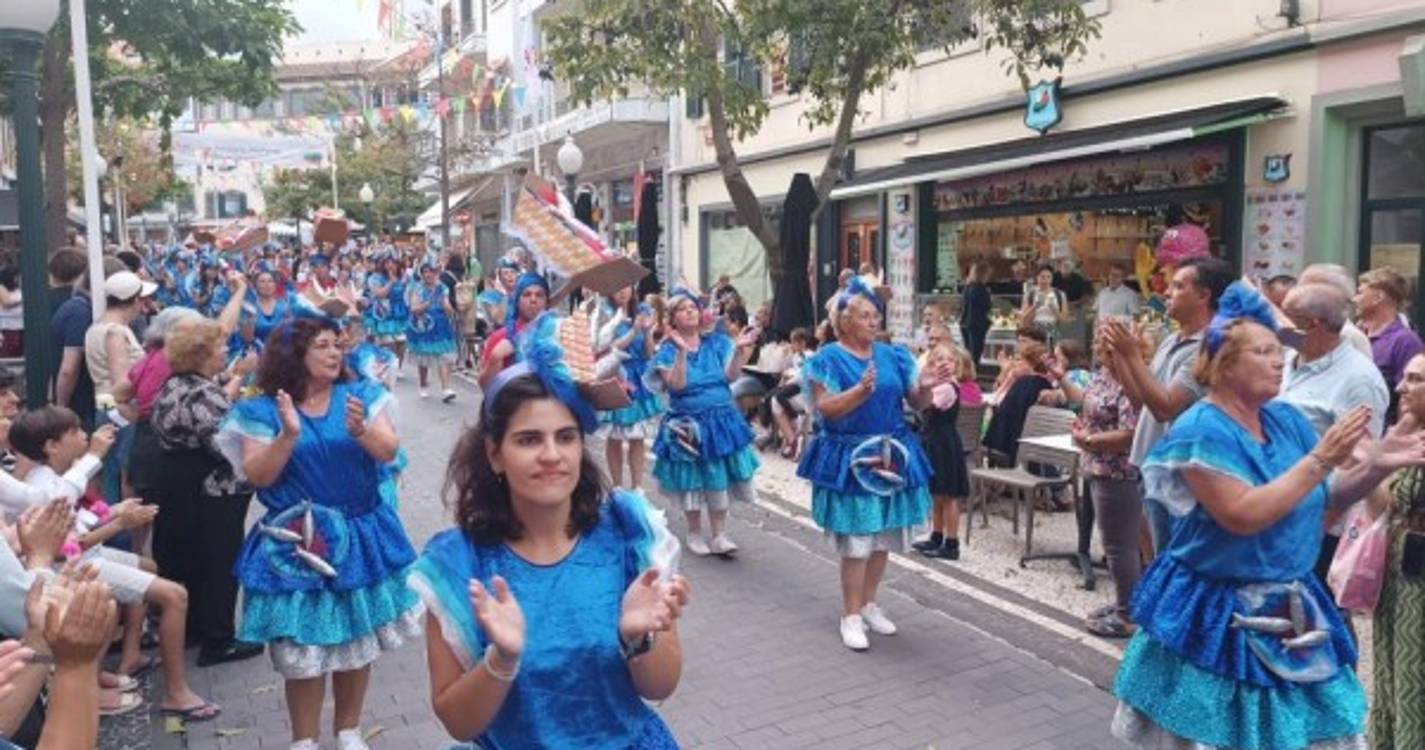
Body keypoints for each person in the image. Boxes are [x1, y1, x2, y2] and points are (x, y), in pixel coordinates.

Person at [1109, 283, 1415, 750]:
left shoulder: (1285, 419)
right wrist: (1321, 459)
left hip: (1292, 602)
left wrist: (1375, 467)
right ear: (1223, 364)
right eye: (1264, 351)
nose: (1280, 360)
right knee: (1215, 733)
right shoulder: (1201, 430)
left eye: (1279, 350)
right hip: (1217, 609)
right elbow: (1242, 515)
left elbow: (1323, 498)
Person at [408, 328, 690, 749]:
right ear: (494, 454)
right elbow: (458, 723)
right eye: (528, 440)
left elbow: (660, 687)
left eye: (565, 437)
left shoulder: (629, 533)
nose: (552, 456)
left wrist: (638, 638)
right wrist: (500, 661)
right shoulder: (459, 565)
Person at [216, 317, 422, 750]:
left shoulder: (362, 395)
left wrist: (362, 431)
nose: (335, 353)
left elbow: (390, 452)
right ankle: (303, 739)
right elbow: (260, 476)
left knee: (356, 636)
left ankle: (348, 729)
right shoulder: (261, 410)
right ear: (295, 355)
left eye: (337, 345)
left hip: (360, 533)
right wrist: (288, 436)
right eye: (323, 346)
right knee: (301, 648)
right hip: (299, 542)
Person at [9, 406, 218, 719]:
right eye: (76, 432)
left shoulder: (57, 476)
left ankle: (129, 655)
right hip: (71, 566)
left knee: (147, 569)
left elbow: (83, 518)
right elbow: (66, 547)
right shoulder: (44, 485)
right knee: (175, 595)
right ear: (52, 446)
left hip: (85, 557)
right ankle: (176, 692)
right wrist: (119, 522)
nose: (85, 436)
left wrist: (117, 511)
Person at [798, 278, 939, 651]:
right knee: (858, 541)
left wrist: (927, 387)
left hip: (891, 454)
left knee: (883, 537)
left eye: (876, 315)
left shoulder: (893, 355)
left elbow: (917, 402)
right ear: (844, 321)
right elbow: (825, 408)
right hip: (851, 457)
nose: (873, 321)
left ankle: (869, 603)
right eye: (864, 315)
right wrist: (859, 392)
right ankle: (850, 614)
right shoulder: (826, 358)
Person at [149, 319, 264, 668]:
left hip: (178, 484)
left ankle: (194, 627)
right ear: (201, 355)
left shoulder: (175, 386)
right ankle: (219, 638)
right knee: (218, 560)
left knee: (191, 556)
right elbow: (224, 441)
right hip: (211, 488)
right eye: (218, 347)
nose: (224, 350)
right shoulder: (201, 394)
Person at [1104, 256, 1234, 552]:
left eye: (1177, 286)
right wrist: (1122, 356)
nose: (1166, 293)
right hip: (1150, 463)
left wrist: (1133, 355)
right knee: (1153, 555)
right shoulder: (1171, 339)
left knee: (1173, 559)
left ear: (1204, 296)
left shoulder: (1210, 347)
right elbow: (1141, 401)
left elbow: (1166, 407)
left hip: (1178, 474)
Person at [648, 287, 760, 557]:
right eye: (682, 309)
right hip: (687, 422)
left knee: (718, 474)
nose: (690, 311)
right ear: (672, 318)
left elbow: (731, 377)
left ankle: (720, 533)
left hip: (720, 418)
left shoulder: (717, 342)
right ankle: (695, 532)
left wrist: (739, 352)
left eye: (693, 307)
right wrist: (682, 353)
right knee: (692, 477)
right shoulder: (665, 351)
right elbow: (678, 385)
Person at [1074, 324, 1142, 639]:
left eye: (1105, 341)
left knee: (1120, 547)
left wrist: (1090, 440)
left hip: (1117, 471)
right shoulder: (1104, 373)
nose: (1099, 345)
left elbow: (1131, 434)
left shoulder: (1130, 379)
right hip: (1097, 467)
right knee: (1114, 543)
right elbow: (1088, 404)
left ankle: (1128, 615)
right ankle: (1124, 603)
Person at [1371, 352, 1425, 747]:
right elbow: (1380, 506)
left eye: (1415, 380)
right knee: (1394, 666)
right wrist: (1376, 462)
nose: (1401, 387)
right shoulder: (1403, 431)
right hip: (1399, 568)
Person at [85, 271, 156, 505]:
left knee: (110, 469)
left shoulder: (96, 328)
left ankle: (114, 528)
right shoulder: (116, 332)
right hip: (119, 407)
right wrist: (130, 412)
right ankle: (125, 533)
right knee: (127, 474)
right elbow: (121, 382)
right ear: (134, 300)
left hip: (104, 402)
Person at [598, 287, 663, 490]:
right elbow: (609, 346)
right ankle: (617, 486)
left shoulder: (643, 310)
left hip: (639, 376)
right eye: (617, 287)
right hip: (615, 373)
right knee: (615, 434)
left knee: (638, 436)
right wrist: (634, 331)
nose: (622, 291)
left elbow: (649, 353)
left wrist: (648, 333)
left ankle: (637, 487)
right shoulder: (604, 313)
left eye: (626, 286)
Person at [911, 342, 971, 561]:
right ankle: (936, 535)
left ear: (956, 364)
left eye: (949, 360)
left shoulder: (947, 388)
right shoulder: (937, 385)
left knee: (948, 495)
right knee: (937, 493)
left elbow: (926, 406)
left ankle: (951, 542)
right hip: (934, 441)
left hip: (943, 443)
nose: (944, 363)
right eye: (938, 359)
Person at [1357, 267, 1424, 422]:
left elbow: (1412, 397)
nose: (1355, 299)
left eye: (1360, 292)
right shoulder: (1355, 336)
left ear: (1378, 297)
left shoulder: (1405, 341)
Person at [479, 271, 549, 388]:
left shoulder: (558, 334)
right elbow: (485, 387)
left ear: (546, 301)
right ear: (517, 301)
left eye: (539, 295)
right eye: (526, 295)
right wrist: (496, 359)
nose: (533, 299)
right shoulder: (500, 337)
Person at [406, 262, 459, 402]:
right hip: (423, 326)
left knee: (443, 355)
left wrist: (446, 306)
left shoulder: (443, 288)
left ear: (436, 273)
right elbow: (413, 308)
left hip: (441, 325)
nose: (428, 274)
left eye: (431, 271)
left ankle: (446, 388)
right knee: (423, 356)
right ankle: (423, 384)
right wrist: (425, 305)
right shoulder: (417, 288)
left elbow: (449, 309)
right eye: (425, 272)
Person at [363, 255, 409, 368]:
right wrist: (390, 283)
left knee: (401, 341)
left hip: (400, 313)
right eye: (387, 262)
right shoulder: (375, 277)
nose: (390, 265)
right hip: (384, 312)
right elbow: (379, 294)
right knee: (388, 341)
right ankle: (389, 365)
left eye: (393, 262)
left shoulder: (404, 277)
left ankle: (398, 366)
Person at [1020, 265, 1068, 344]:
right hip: (1034, 330)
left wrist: (1054, 309)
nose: (1045, 280)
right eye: (1042, 277)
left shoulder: (1059, 294)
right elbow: (1024, 319)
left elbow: (1064, 320)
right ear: (1037, 278)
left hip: (1053, 329)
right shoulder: (1030, 294)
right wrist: (1035, 307)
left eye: (1048, 277)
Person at [960, 262, 992, 366]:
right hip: (977, 324)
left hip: (965, 322)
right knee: (976, 352)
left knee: (968, 351)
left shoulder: (967, 288)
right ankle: (973, 374)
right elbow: (986, 306)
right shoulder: (982, 289)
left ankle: (967, 372)